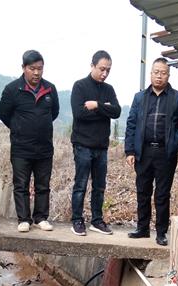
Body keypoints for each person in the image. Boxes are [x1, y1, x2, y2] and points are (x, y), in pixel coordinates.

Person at [124, 58, 178, 246]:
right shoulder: (140, 97)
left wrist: (175, 147)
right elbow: (131, 124)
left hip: (165, 154)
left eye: (163, 73)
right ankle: (142, 228)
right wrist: (130, 151)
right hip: (143, 152)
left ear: (168, 75)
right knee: (142, 191)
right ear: (151, 74)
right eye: (156, 72)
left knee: (162, 194)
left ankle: (161, 232)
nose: (159, 76)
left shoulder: (177, 98)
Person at [0, 50, 59, 233]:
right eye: (32, 68)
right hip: (21, 148)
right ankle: (24, 219)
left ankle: (41, 218)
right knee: (21, 184)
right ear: (23, 68)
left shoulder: (50, 89)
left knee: (43, 185)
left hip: (44, 147)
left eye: (40, 68)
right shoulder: (12, 89)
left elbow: (54, 113)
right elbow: (3, 114)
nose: (36, 73)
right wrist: (19, 128)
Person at [69, 50, 121, 236]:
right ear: (92, 66)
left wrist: (97, 105)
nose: (105, 73)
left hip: (101, 146)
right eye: (101, 69)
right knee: (81, 185)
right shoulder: (80, 86)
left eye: (108, 70)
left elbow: (116, 111)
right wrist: (104, 109)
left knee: (99, 187)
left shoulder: (109, 89)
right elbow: (79, 114)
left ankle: (97, 220)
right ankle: (77, 220)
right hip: (83, 145)